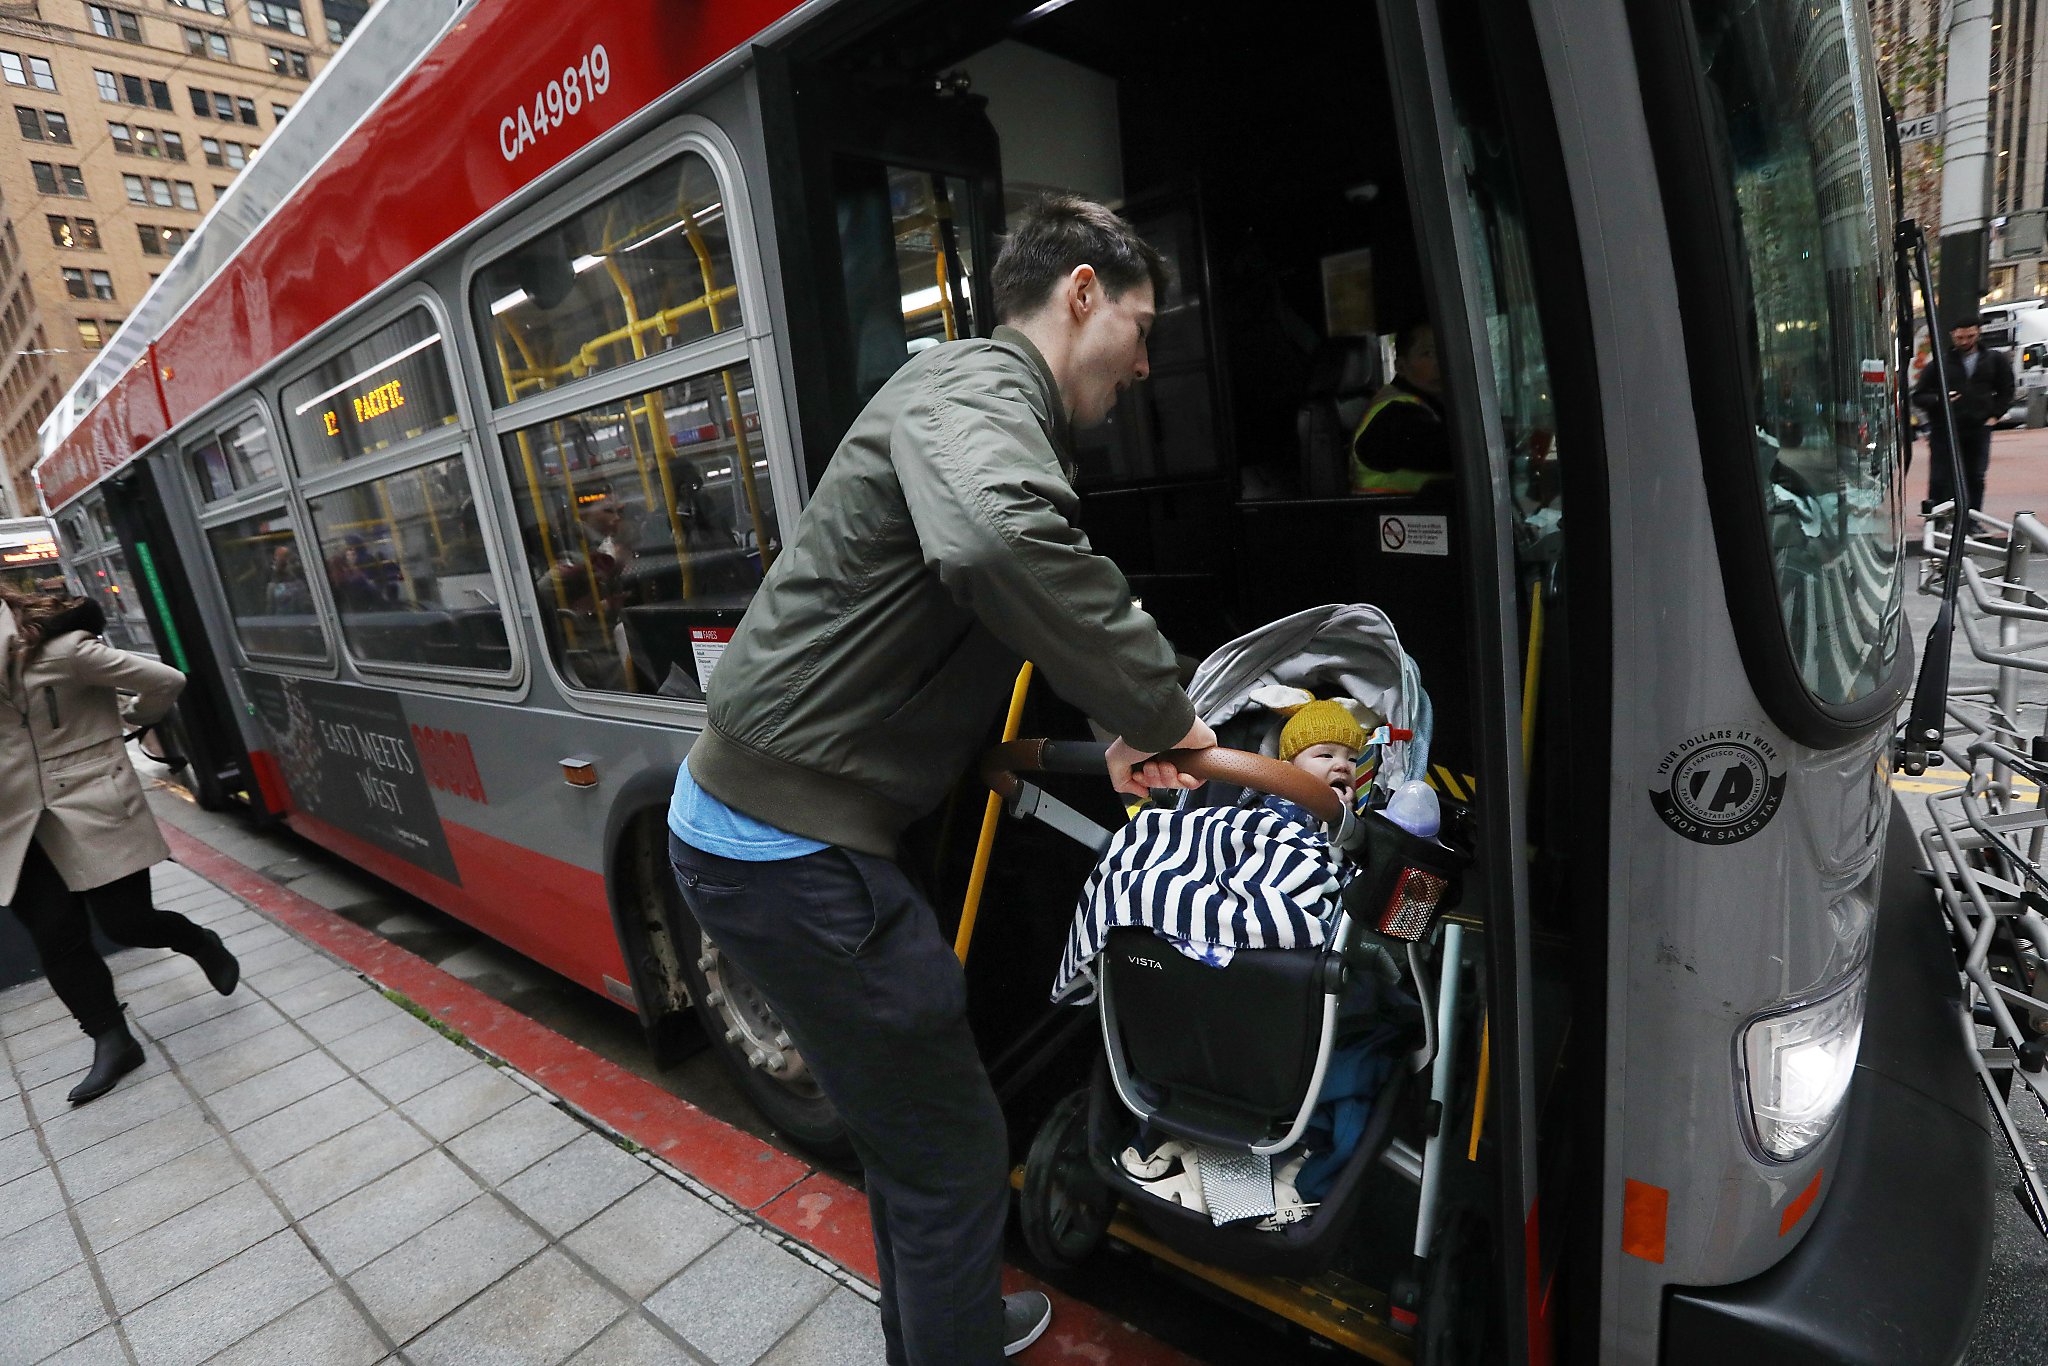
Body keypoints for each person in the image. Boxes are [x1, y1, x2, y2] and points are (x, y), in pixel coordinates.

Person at [667, 195, 1216, 1366]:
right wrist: (1166, 712)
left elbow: (954, 609)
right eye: (1140, 326)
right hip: (790, 853)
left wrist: (1106, 729)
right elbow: (993, 543)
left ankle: (943, 1325)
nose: (1144, 362)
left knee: (906, 1127)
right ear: (1080, 295)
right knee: (953, 1145)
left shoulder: (969, 401)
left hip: (752, 829)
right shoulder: (976, 390)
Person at [0, 588, 239, 1105]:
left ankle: (198, 941)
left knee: (127, 922)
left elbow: (165, 680)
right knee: (56, 938)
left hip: (89, 802)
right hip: (14, 822)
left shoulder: (62, 651)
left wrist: (131, 719)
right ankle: (112, 1039)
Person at [1913, 312, 2016, 515]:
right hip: (1945, 428)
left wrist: (1994, 415)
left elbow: (2007, 389)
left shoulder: (1994, 359)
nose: (1965, 342)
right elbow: (1918, 396)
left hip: (1978, 427)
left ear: (1978, 333)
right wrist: (1940, 399)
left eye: (1970, 336)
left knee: (1975, 476)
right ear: (1952, 336)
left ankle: (1972, 519)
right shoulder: (1939, 364)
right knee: (1940, 477)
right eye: (1960, 337)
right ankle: (1937, 519)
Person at [1349, 319, 1452, 495]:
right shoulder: (1396, 414)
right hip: (1397, 511)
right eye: (1427, 353)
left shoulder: (1427, 402)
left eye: (1445, 350)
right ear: (1401, 367)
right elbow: (1454, 451)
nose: (1440, 362)